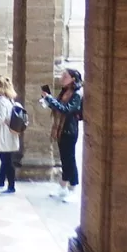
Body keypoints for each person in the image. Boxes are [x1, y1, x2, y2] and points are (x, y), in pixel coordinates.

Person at [42, 68, 84, 202]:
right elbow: (58, 106)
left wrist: (50, 99)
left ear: (72, 78)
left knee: (70, 159)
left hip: (70, 130)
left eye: (64, 76)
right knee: (64, 160)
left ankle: (73, 188)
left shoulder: (77, 93)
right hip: (61, 129)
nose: (61, 78)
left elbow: (67, 109)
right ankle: (63, 187)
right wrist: (48, 101)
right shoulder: (65, 91)